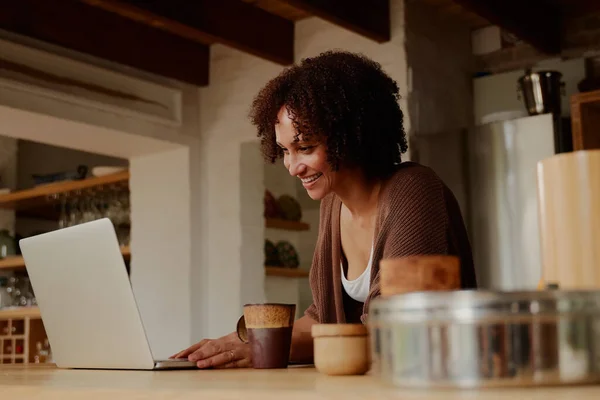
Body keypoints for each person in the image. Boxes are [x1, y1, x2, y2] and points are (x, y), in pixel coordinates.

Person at [171, 50, 477, 368]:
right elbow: (322, 320)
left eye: (305, 148)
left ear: (352, 134)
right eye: (284, 151)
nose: (292, 167)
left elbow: (399, 331)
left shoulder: (413, 188)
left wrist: (266, 345)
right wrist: (249, 342)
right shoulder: (333, 204)